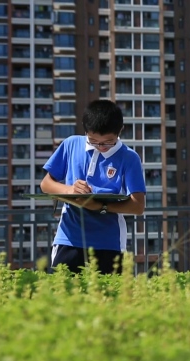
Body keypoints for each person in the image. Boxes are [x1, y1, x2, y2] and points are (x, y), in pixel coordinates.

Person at [41, 100, 146, 274]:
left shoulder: (129, 157)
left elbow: (138, 205)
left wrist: (101, 206)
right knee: (61, 294)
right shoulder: (71, 144)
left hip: (109, 241)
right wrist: (70, 190)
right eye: (93, 141)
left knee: (110, 296)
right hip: (68, 238)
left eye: (108, 142)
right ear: (85, 130)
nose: (101, 147)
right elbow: (45, 184)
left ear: (120, 130)